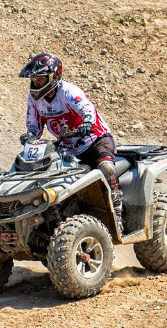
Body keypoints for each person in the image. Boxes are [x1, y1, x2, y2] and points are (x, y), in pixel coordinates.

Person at [19, 52, 124, 219]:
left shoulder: (68, 91)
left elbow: (86, 108)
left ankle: (117, 210)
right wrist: (30, 136)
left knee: (106, 168)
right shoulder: (34, 99)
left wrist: (87, 123)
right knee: (52, 176)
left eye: (40, 79)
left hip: (95, 139)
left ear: (54, 77)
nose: (36, 83)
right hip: (67, 147)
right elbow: (34, 124)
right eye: (34, 79)